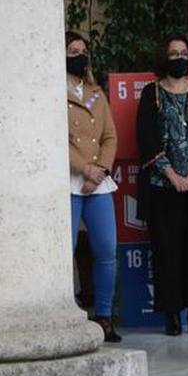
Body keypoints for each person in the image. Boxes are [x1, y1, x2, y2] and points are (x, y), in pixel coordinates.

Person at [135, 33, 188, 337]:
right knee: (167, 250)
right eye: (173, 53)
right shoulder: (151, 93)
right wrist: (172, 175)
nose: (178, 58)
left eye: (183, 53)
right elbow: (146, 136)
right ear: (163, 57)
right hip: (163, 185)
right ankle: (171, 314)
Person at [66, 31, 120, 343]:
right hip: (70, 180)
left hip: (98, 183)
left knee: (106, 250)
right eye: (73, 50)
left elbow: (110, 135)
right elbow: (56, 138)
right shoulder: (53, 91)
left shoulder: (96, 92)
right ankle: (69, 313)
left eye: (83, 50)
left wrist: (99, 170)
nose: (80, 55)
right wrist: (83, 168)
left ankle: (104, 316)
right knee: (67, 250)